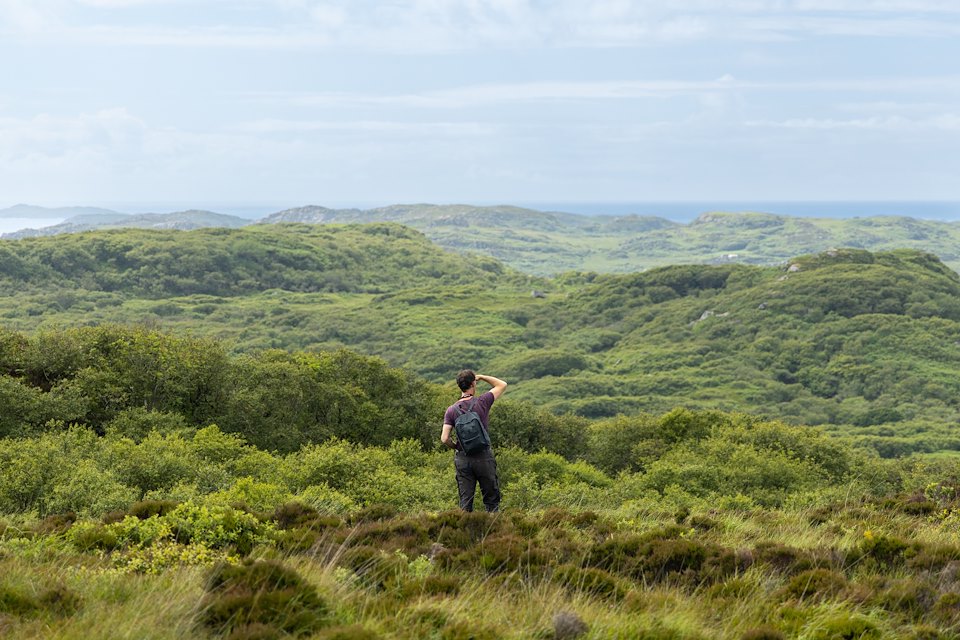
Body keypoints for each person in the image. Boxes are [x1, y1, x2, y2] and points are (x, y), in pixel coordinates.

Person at [441, 370, 508, 512]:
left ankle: (465, 532)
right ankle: (493, 530)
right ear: (473, 383)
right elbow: (502, 384)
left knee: (465, 502)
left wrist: (457, 447)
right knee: (491, 500)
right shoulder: (482, 402)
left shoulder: (451, 410)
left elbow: (444, 438)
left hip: (463, 459)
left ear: (459, 386)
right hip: (483, 456)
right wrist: (482, 377)